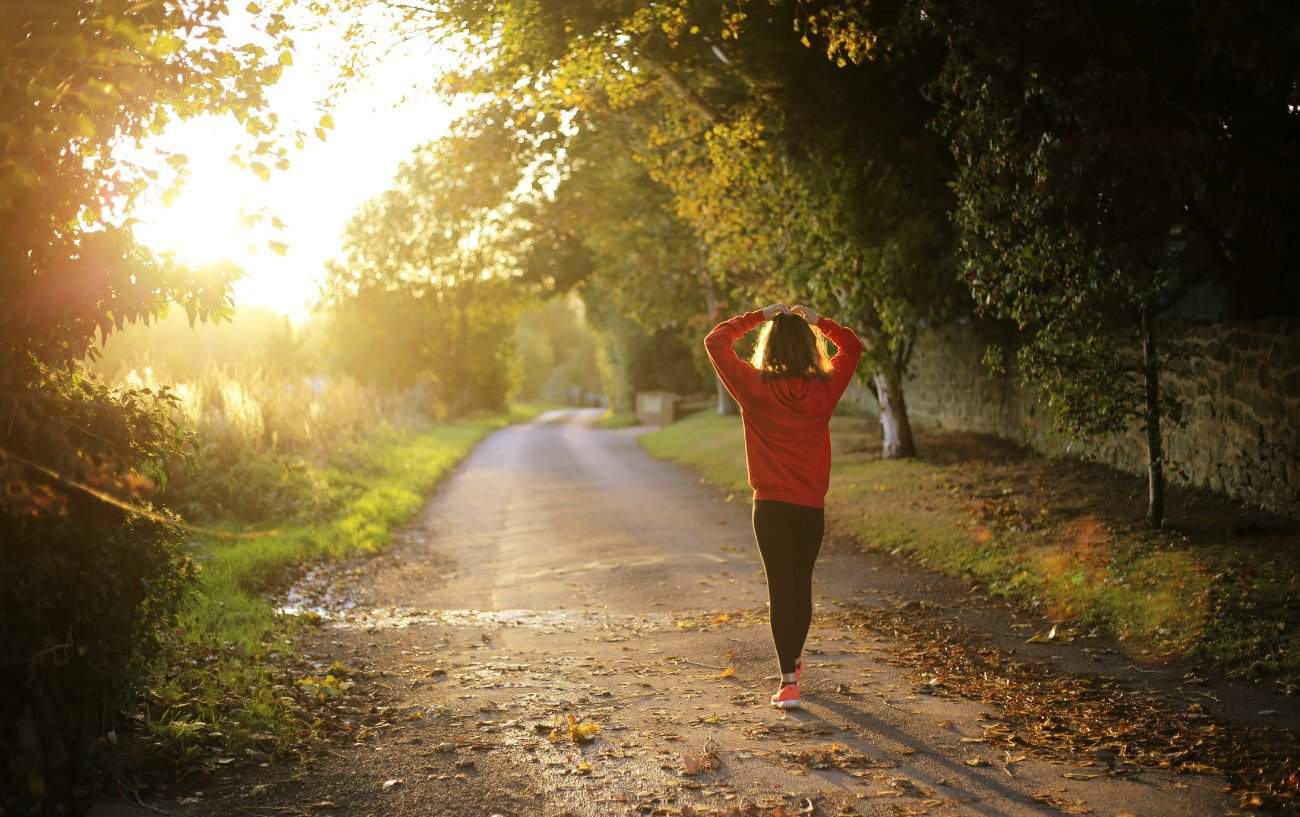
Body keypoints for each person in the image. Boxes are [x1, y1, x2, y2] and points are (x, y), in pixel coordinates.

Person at [704, 302, 864, 709]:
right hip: (810, 507)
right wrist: (818, 321)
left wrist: (759, 315)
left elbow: (716, 340)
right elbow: (852, 346)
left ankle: (789, 680)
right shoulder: (825, 388)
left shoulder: (753, 386)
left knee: (781, 588)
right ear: (810, 348)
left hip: (771, 507)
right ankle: (793, 663)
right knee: (801, 585)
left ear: (769, 346)